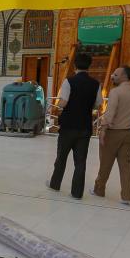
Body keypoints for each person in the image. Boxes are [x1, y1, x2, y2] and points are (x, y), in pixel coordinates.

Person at [47, 52, 100, 199]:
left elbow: (63, 102)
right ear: (89, 66)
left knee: (61, 157)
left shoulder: (69, 81)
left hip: (69, 126)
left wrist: (56, 106)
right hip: (85, 127)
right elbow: (97, 104)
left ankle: (55, 184)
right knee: (80, 161)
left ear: (75, 65)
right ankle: (76, 193)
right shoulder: (96, 84)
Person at [91, 65, 130, 205]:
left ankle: (99, 190)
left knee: (105, 163)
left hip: (113, 133)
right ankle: (127, 197)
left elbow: (110, 113)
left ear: (124, 76)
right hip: (129, 133)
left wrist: (103, 130)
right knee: (126, 166)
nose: (112, 76)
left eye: (115, 74)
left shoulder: (116, 92)